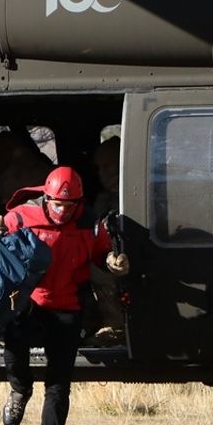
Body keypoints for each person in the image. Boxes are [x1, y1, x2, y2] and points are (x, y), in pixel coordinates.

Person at [0, 165, 129, 425]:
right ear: (46, 197)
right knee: (12, 336)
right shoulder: (22, 217)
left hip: (68, 308)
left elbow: (102, 252)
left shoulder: (89, 223)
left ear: (79, 203)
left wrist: (111, 262)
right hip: (31, 303)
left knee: (59, 386)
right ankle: (20, 389)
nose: (63, 211)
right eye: (57, 204)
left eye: (70, 205)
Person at [87, 136, 125, 344]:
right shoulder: (102, 199)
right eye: (99, 169)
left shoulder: (134, 193)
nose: (103, 174)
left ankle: (117, 327)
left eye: (109, 166)